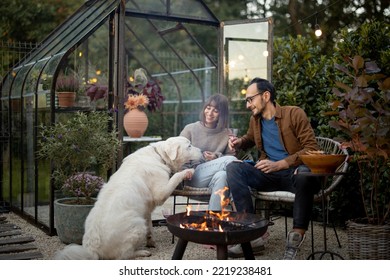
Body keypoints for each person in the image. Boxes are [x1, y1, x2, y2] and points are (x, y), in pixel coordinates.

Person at [226, 78, 320, 260]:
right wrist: (239, 142)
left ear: (266, 96)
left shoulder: (294, 114)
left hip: (294, 173)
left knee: (304, 174)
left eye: (250, 99)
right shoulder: (255, 120)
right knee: (234, 169)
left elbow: (312, 148)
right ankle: (251, 233)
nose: (248, 105)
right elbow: (250, 138)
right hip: (269, 175)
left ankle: (296, 236)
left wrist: (282, 163)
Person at [180, 94, 237, 211]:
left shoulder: (227, 133)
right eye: (208, 108)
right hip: (193, 175)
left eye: (215, 110)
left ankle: (213, 219)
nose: (210, 113)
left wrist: (216, 157)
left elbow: (229, 159)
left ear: (222, 114)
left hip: (214, 179)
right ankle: (239, 206)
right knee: (233, 162)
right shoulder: (190, 129)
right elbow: (179, 154)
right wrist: (184, 171)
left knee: (223, 175)